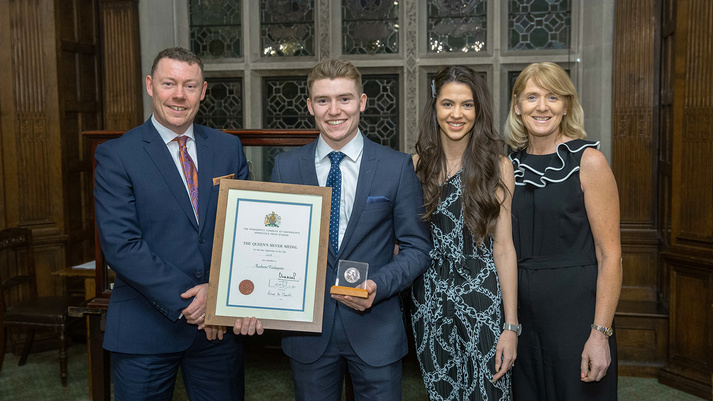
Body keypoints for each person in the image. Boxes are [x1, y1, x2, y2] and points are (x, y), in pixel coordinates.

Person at [94, 47, 260, 401]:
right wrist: (196, 301)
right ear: (150, 85)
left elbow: (246, 232)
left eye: (190, 85)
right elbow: (121, 245)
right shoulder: (117, 155)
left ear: (203, 91)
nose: (179, 95)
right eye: (169, 83)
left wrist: (218, 293)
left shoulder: (228, 148)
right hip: (145, 329)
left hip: (217, 332)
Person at [263, 57, 432, 400]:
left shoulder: (395, 166)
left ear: (362, 102)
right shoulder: (285, 167)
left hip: (376, 330)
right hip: (308, 333)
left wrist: (378, 285)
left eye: (344, 99)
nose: (334, 110)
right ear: (309, 106)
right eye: (323, 100)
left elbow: (417, 248)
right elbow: (272, 246)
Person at [505, 62, 622, 400]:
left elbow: (611, 256)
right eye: (532, 97)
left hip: (577, 316)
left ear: (566, 105)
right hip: (522, 318)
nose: (542, 107)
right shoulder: (507, 166)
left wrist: (600, 333)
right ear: (517, 106)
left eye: (553, 97)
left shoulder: (589, 161)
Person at [410, 65, 519, 400]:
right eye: (448, 104)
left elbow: (504, 248)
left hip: (482, 297)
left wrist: (511, 326)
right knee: (441, 393)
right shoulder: (415, 166)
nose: (456, 114)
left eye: (467, 104)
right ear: (435, 107)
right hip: (428, 299)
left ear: (478, 109)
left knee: (489, 392)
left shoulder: (498, 167)